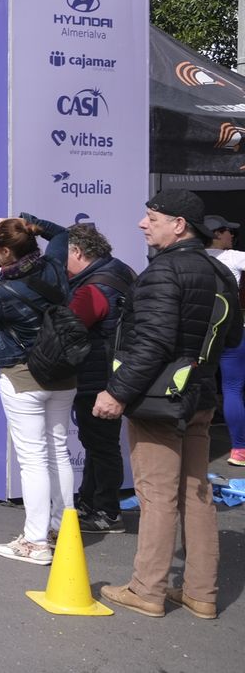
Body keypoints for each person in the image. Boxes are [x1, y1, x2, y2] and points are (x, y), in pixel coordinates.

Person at [93, 191, 240, 619]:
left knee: (156, 496)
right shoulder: (221, 271)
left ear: (179, 225)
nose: (143, 223)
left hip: (157, 399)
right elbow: (230, 338)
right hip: (199, 396)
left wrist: (117, 391)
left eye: (152, 217)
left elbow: (152, 342)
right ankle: (200, 592)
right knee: (197, 493)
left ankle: (147, 589)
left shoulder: (164, 271)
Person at [0, 215, 74, 566]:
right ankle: (62, 529)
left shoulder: (3, 290)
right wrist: (29, 221)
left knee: (34, 460)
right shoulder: (54, 265)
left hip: (24, 376)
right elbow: (62, 233)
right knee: (58, 450)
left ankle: (36, 542)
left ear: (5, 251)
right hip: (64, 374)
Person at [27, 215, 135, 533]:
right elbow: (66, 237)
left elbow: (68, 330)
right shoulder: (118, 269)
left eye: (64, 257)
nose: (60, 264)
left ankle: (106, 511)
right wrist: (34, 223)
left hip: (96, 377)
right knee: (96, 443)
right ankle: (91, 504)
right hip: (110, 373)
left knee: (101, 445)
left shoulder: (92, 289)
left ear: (77, 253)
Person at [202, 214, 245, 467]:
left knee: (191, 386)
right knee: (232, 389)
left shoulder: (189, 256)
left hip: (199, 332)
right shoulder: (235, 257)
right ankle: (239, 450)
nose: (232, 235)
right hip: (231, 330)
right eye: (229, 231)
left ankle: (189, 446)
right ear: (216, 234)